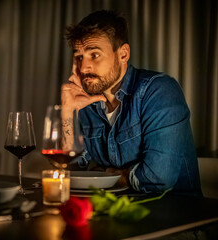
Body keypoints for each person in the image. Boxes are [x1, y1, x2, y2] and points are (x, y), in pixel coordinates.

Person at [61, 10, 201, 195]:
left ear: (123, 54)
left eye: (94, 55)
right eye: (79, 57)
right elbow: (69, 173)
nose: (84, 67)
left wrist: (108, 176)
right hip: (113, 214)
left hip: (174, 215)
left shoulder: (158, 90)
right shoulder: (87, 104)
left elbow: (158, 178)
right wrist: (67, 112)